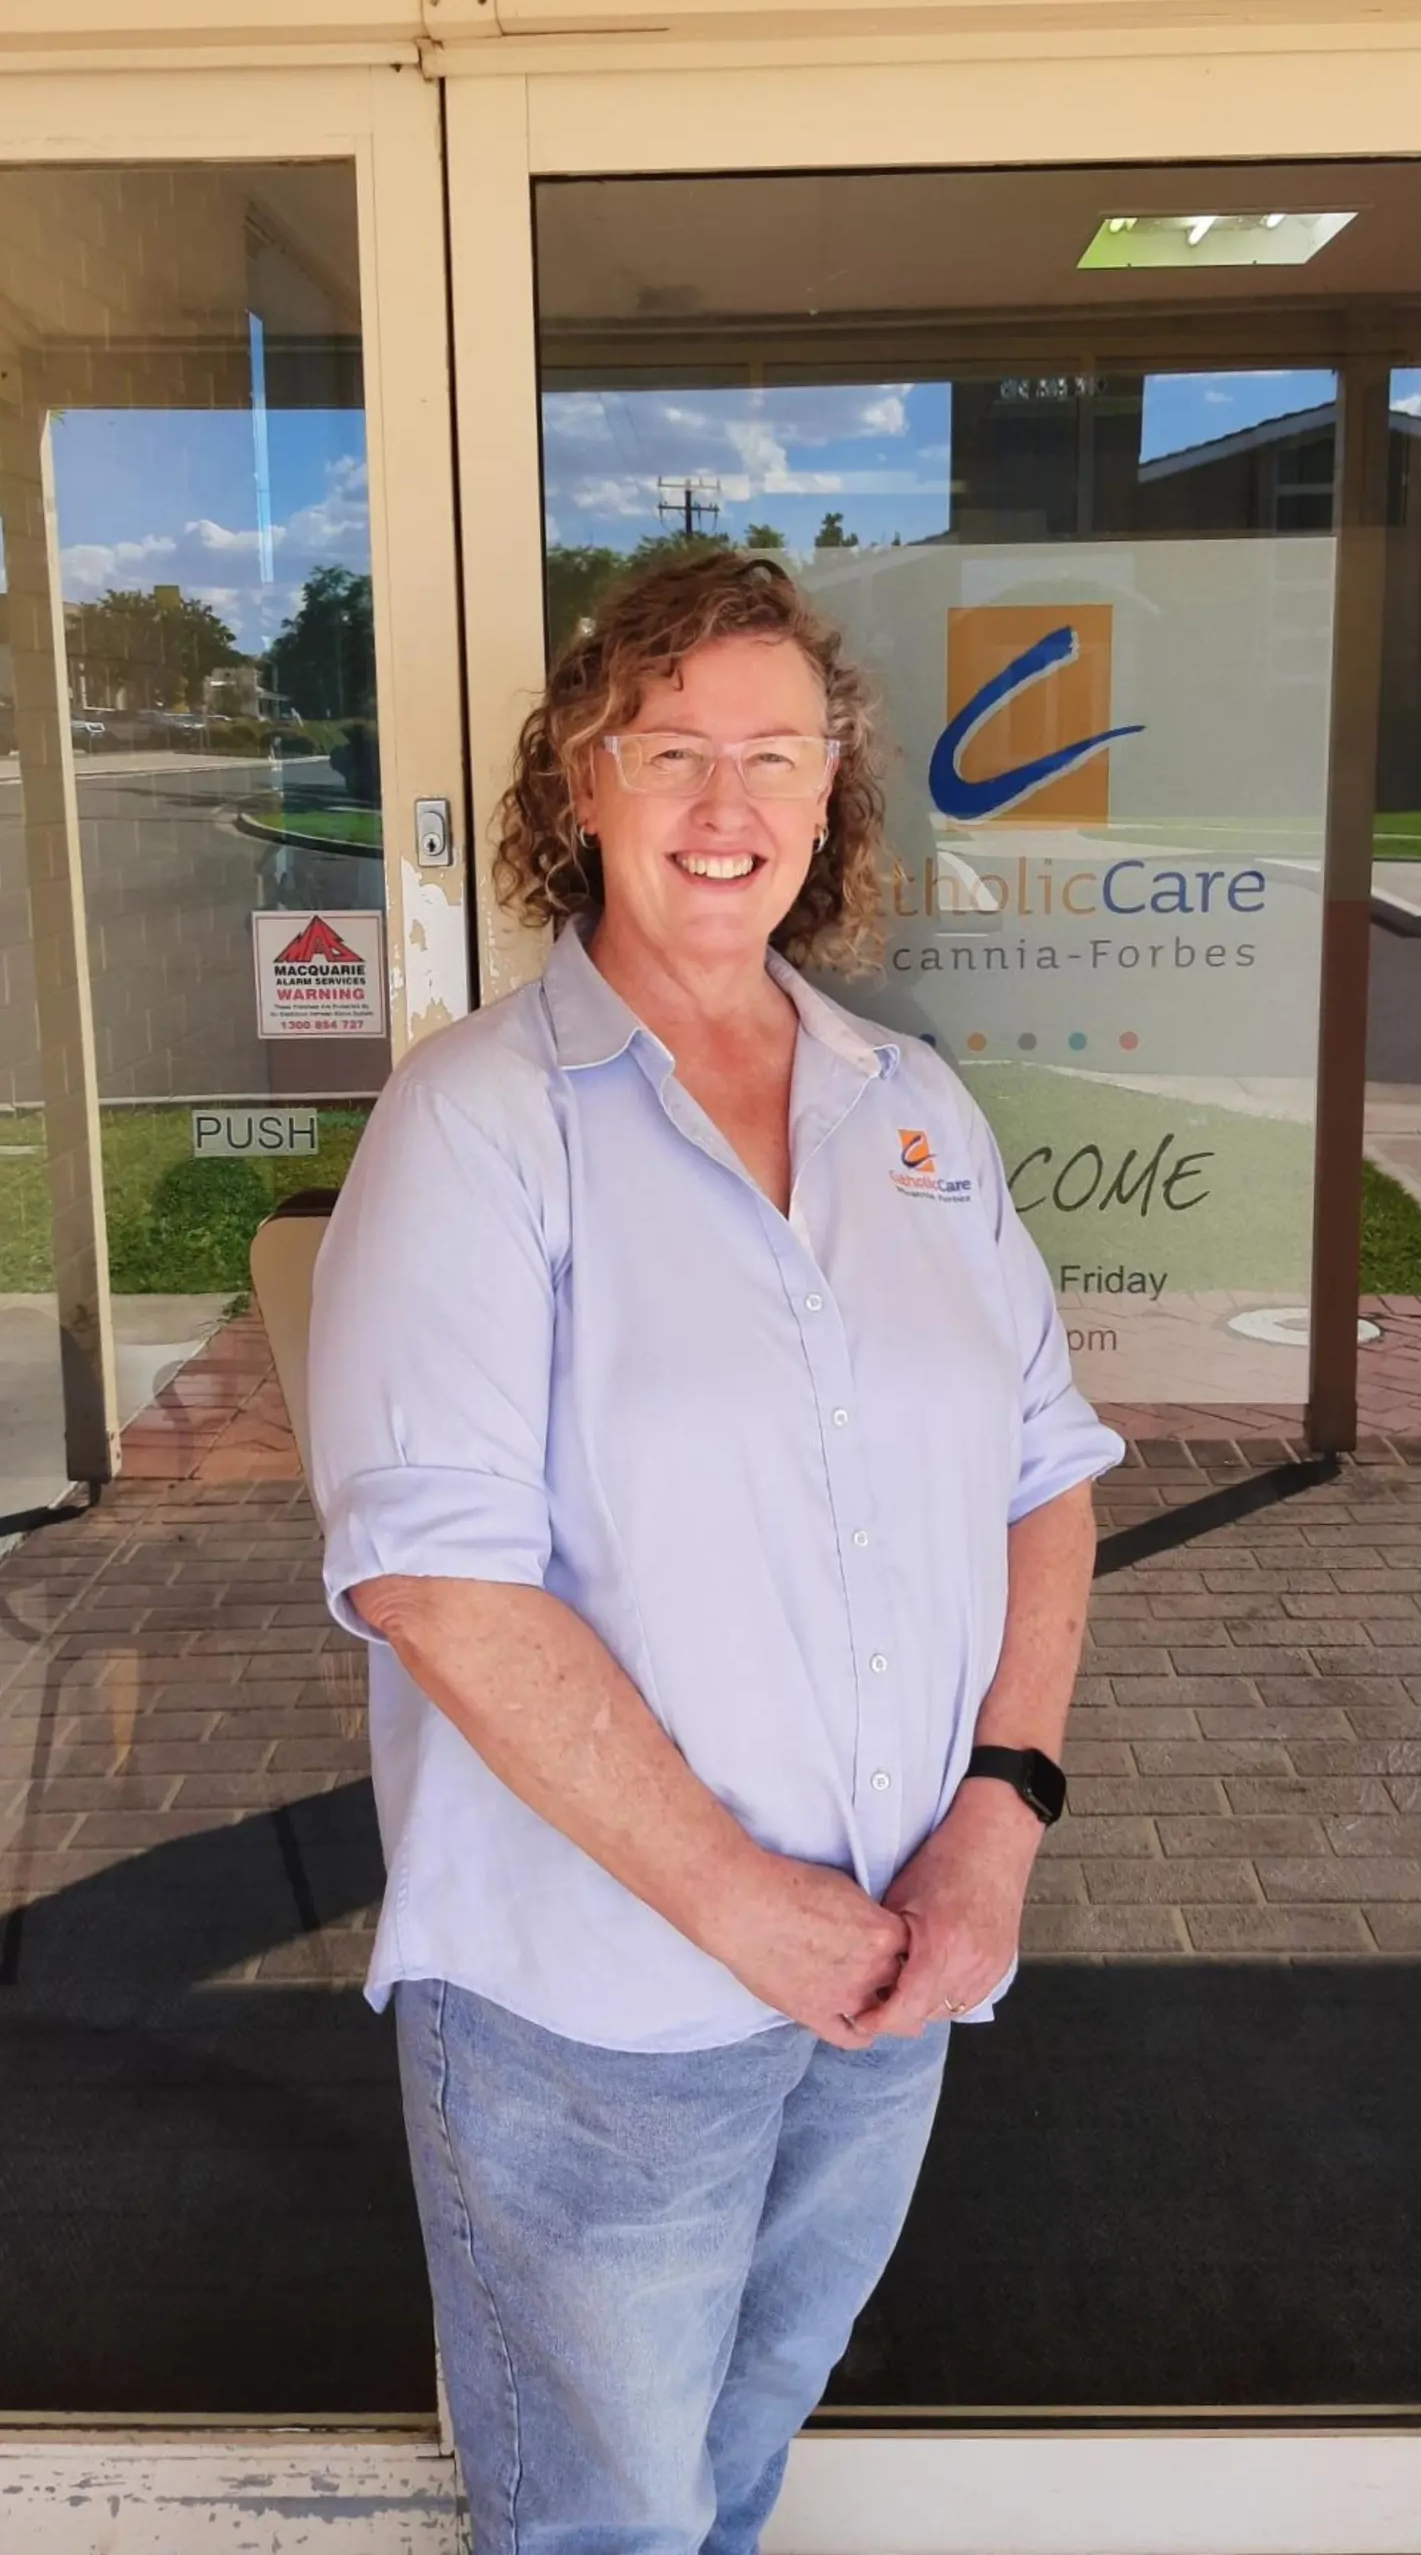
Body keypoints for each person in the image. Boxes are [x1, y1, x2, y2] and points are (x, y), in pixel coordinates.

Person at [301, 547, 1118, 2553]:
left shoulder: (907, 1108)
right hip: (602, 2014)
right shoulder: (481, 1124)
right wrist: (738, 1900)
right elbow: (436, 1575)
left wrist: (1000, 1819)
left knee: (739, 2455)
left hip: (893, 1964)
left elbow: (1045, 1477)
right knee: (600, 2513)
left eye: (776, 751)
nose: (727, 804)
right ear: (578, 783)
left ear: (835, 790)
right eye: (672, 751)